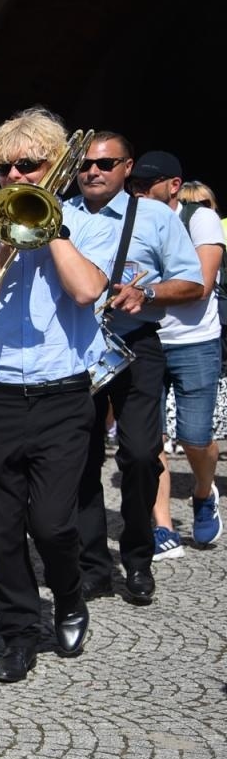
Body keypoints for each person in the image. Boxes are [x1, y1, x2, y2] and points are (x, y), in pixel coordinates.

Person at [0, 108, 117, 684]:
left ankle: (68, 597)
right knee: (2, 530)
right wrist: (0, 251)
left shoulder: (87, 227)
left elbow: (89, 290)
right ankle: (18, 633)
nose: (15, 175)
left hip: (63, 395)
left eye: (29, 165)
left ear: (55, 171)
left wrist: (51, 233)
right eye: (5, 167)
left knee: (50, 522)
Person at [68, 133, 203, 604]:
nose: (93, 171)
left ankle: (139, 556)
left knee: (142, 454)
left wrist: (148, 294)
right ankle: (92, 565)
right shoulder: (60, 216)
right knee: (80, 458)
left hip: (136, 344)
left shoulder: (156, 217)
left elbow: (193, 282)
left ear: (127, 168)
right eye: (85, 163)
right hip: (76, 346)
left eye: (105, 163)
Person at [128, 154, 223, 551]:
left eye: (147, 184)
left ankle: (203, 494)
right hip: (145, 339)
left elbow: (198, 286)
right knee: (152, 439)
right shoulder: (129, 218)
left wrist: (145, 289)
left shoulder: (199, 219)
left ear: (172, 185)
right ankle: (162, 525)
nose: (138, 191)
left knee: (194, 436)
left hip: (195, 341)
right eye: (135, 184)